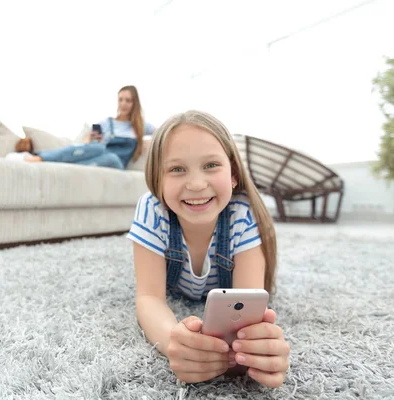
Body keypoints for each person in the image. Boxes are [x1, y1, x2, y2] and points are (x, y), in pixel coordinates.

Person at [126, 110, 290, 387]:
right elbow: (149, 297)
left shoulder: (243, 214)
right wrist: (174, 343)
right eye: (177, 169)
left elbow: (248, 305)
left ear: (234, 174)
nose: (196, 184)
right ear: (158, 180)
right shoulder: (152, 209)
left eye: (211, 165)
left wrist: (255, 351)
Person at [24, 85, 155, 169]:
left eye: (128, 100)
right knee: (97, 147)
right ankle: (42, 158)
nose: (123, 104)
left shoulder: (140, 125)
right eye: (120, 100)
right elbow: (89, 141)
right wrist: (89, 141)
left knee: (111, 157)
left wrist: (146, 142)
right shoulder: (106, 123)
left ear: (134, 103)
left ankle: (53, 163)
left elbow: (163, 132)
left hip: (117, 161)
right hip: (99, 152)